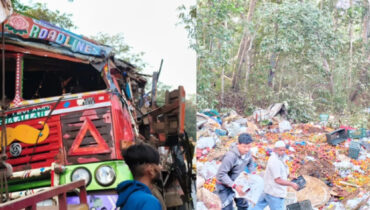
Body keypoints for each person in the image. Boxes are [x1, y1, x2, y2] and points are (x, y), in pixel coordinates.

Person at [251, 141, 299, 210]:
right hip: (275, 193)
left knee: (257, 207)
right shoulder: (274, 161)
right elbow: (277, 180)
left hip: (267, 190)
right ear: (275, 150)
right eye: (280, 150)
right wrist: (292, 184)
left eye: (283, 150)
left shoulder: (280, 158)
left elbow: (280, 172)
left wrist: (289, 176)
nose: (282, 152)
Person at [116, 143, 162, 210]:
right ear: (150, 169)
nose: (160, 167)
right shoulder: (149, 201)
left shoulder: (128, 197)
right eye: (157, 164)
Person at [216, 133, 256, 210]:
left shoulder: (248, 153)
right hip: (225, 185)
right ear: (238, 144)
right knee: (227, 207)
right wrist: (234, 186)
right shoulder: (230, 156)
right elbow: (221, 174)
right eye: (244, 147)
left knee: (243, 206)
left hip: (238, 182)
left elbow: (250, 163)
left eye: (249, 146)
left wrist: (252, 174)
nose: (247, 149)